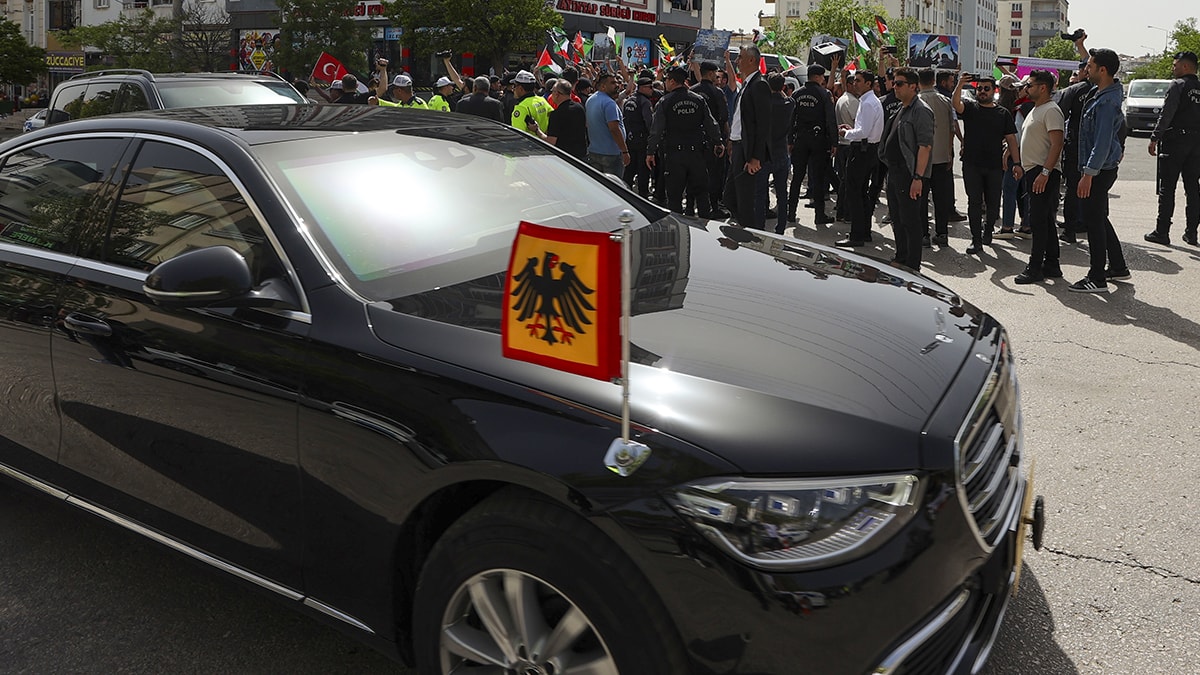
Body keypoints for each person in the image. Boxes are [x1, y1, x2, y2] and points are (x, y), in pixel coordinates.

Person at [1070, 48, 1130, 293]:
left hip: (1098, 170)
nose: (1086, 69)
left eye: (1091, 66)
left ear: (1102, 70)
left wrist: (1088, 174)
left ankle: (1097, 277)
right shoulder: (1100, 92)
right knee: (1098, 217)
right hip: (1099, 168)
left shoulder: (1106, 101)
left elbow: (1103, 141)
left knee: (1093, 222)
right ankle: (1117, 266)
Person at [953, 73, 1020, 254]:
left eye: (986, 88)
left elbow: (1012, 140)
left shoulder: (1002, 113)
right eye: (979, 88)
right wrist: (960, 84)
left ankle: (988, 230)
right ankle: (976, 240)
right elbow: (955, 104)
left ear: (994, 91)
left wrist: (1017, 163)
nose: (982, 91)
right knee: (974, 202)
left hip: (994, 166)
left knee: (992, 202)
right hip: (972, 164)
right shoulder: (970, 108)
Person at [647, 66, 723, 218]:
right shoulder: (698, 99)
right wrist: (718, 142)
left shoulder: (665, 102)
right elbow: (711, 123)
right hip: (696, 154)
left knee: (674, 197)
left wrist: (650, 152)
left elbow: (657, 129)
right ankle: (705, 230)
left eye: (666, 79)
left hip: (675, 155)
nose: (665, 82)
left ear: (673, 81)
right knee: (702, 194)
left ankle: (679, 230)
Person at [878, 67, 933, 271]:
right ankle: (901, 256)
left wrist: (918, 177)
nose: (895, 87)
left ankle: (912, 264)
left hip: (909, 173)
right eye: (894, 82)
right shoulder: (903, 108)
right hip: (894, 171)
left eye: (899, 83)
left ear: (913, 86)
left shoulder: (921, 110)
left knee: (910, 221)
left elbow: (925, 146)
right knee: (897, 217)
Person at [1014, 70, 1065, 285]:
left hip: (1043, 172)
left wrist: (1045, 172)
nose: (1026, 88)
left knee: (1037, 221)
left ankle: (1035, 267)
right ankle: (1052, 264)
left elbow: (1057, 144)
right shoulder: (1037, 109)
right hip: (1033, 170)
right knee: (1044, 220)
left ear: (1043, 87)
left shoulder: (1051, 110)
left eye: (1030, 85)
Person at [1146, 50, 1200, 246]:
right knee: (1193, 188)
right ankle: (1191, 232)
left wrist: (1154, 138)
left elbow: (1166, 114)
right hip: (1196, 143)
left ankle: (1162, 232)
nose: (1173, 67)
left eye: (1175, 64)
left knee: (1167, 188)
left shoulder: (1178, 85)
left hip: (1175, 141)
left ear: (1185, 66)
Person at [724, 45, 772, 229]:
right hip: (737, 147)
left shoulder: (759, 85)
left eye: (740, 57)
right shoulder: (746, 85)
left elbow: (763, 125)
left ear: (751, 60)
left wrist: (755, 157)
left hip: (748, 151)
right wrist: (731, 141)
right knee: (729, 197)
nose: (737, 61)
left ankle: (749, 237)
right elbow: (739, 117)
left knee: (745, 201)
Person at [835, 69, 884, 247]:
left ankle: (857, 235)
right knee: (861, 192)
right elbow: (864, 128)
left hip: (863, 151)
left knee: (854, 193)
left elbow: (863, 132)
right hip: (867, 149)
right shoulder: (869, 101)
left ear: (868, 84)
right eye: (854, 80)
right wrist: (852, 129)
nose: (854, 83)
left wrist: (846, 133)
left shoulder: (869, 102)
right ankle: (863, 231)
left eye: (858, 80)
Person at [787, 63, 837, 225]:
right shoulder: (824, 94)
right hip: (818, 141)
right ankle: (819, 215)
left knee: (797, 178)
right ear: (817, 77)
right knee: (818, 177)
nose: (823, 79)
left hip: (800, 140)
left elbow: (790, 120)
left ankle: (791, 213)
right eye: (823, 76)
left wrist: (790, 140)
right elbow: (830, 120)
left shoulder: (796, 94)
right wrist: (834, 142)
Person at [917, 68, 955, 247]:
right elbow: (952, 128)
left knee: (922, 198)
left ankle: (923, 233)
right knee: (941, 198)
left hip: (922, 160)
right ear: (933, 80)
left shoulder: (917, 102)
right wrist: (950, 153)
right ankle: (942, 232)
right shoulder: (945, 101)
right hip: (942, 157)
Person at [692, 61, 731, 218]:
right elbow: (724, 117)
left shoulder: (692, 91)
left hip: (696, 140)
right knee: (715, 175)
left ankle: (693, 205)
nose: (719, 79)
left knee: (697, 173)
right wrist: (725, 139)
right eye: (716, 75)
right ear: (709, 74)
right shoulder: (717, 92)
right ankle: (713, 207)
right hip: (715, 140)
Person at [757, 72, 795, 232]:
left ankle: (759, 226)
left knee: (760, 193)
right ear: (784, 86)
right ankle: (781, 227)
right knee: (781, 192)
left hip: (764, 152)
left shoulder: (763, 104)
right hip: (781, 151)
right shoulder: (790, 103)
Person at [585, 71, 631, 176]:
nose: (617, 86)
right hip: (611, 155)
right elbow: (614, 129)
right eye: (612, 83)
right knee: (613, 188)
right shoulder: (609, 103)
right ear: (603, 86)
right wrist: (624, 151)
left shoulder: (590, 99)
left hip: (595, 152)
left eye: (616, 83)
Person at [531, 80, 588, 159]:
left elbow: (551, 141)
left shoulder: (556, 114)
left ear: (557, 94)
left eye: (552, 91)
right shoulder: (580, 107)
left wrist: (537, 131)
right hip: (580, 156)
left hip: (565, 158)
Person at [832, 67, 860, 221]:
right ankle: (844, 212)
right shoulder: (851, 101)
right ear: (849, 85)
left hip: (843, 144)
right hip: (849, 144)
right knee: (849, 181)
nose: (857, 86)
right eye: (854, 83)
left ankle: (841, 210)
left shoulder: (843, 99)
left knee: (844, 180)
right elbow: (858, 123)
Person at [622, 74, 655, 198]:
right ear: (642, 88)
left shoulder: (629, 100)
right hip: (642, 141)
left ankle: (626, 193)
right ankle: (643, 196)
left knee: (629, 169)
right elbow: (649, 122)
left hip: (629, 140)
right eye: (650, 87)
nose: (652, 89)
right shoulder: (645, 102)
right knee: (643, 170)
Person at [510, 70, 551, 135]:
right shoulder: (543, 100)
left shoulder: (521, 108)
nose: (513, 89)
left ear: (520, 88)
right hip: (545, 143)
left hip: (530, 144)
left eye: (514, 86)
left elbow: (518, 136)